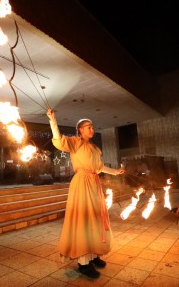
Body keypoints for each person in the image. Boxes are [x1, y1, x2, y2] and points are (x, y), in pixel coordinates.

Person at [46, 108, 125, 278]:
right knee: (85, 219)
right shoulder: (75, 142)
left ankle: (94, 254)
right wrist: (53, 120)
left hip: (94, 184)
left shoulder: (95, 148)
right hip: (82, 183)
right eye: (88, 127)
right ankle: (83, 263)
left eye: (92, 127)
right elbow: (59, 141)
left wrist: (115, 172)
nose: (92, 129)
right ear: (80, 130)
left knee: (96, 218)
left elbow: (99, 167)